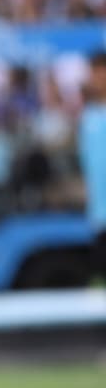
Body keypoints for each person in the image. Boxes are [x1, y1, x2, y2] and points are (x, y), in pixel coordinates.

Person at [80, 52, 106, 281]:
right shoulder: (88, 116)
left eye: (101, 72)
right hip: (99, 213)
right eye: (94, 73)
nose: (96, 78)